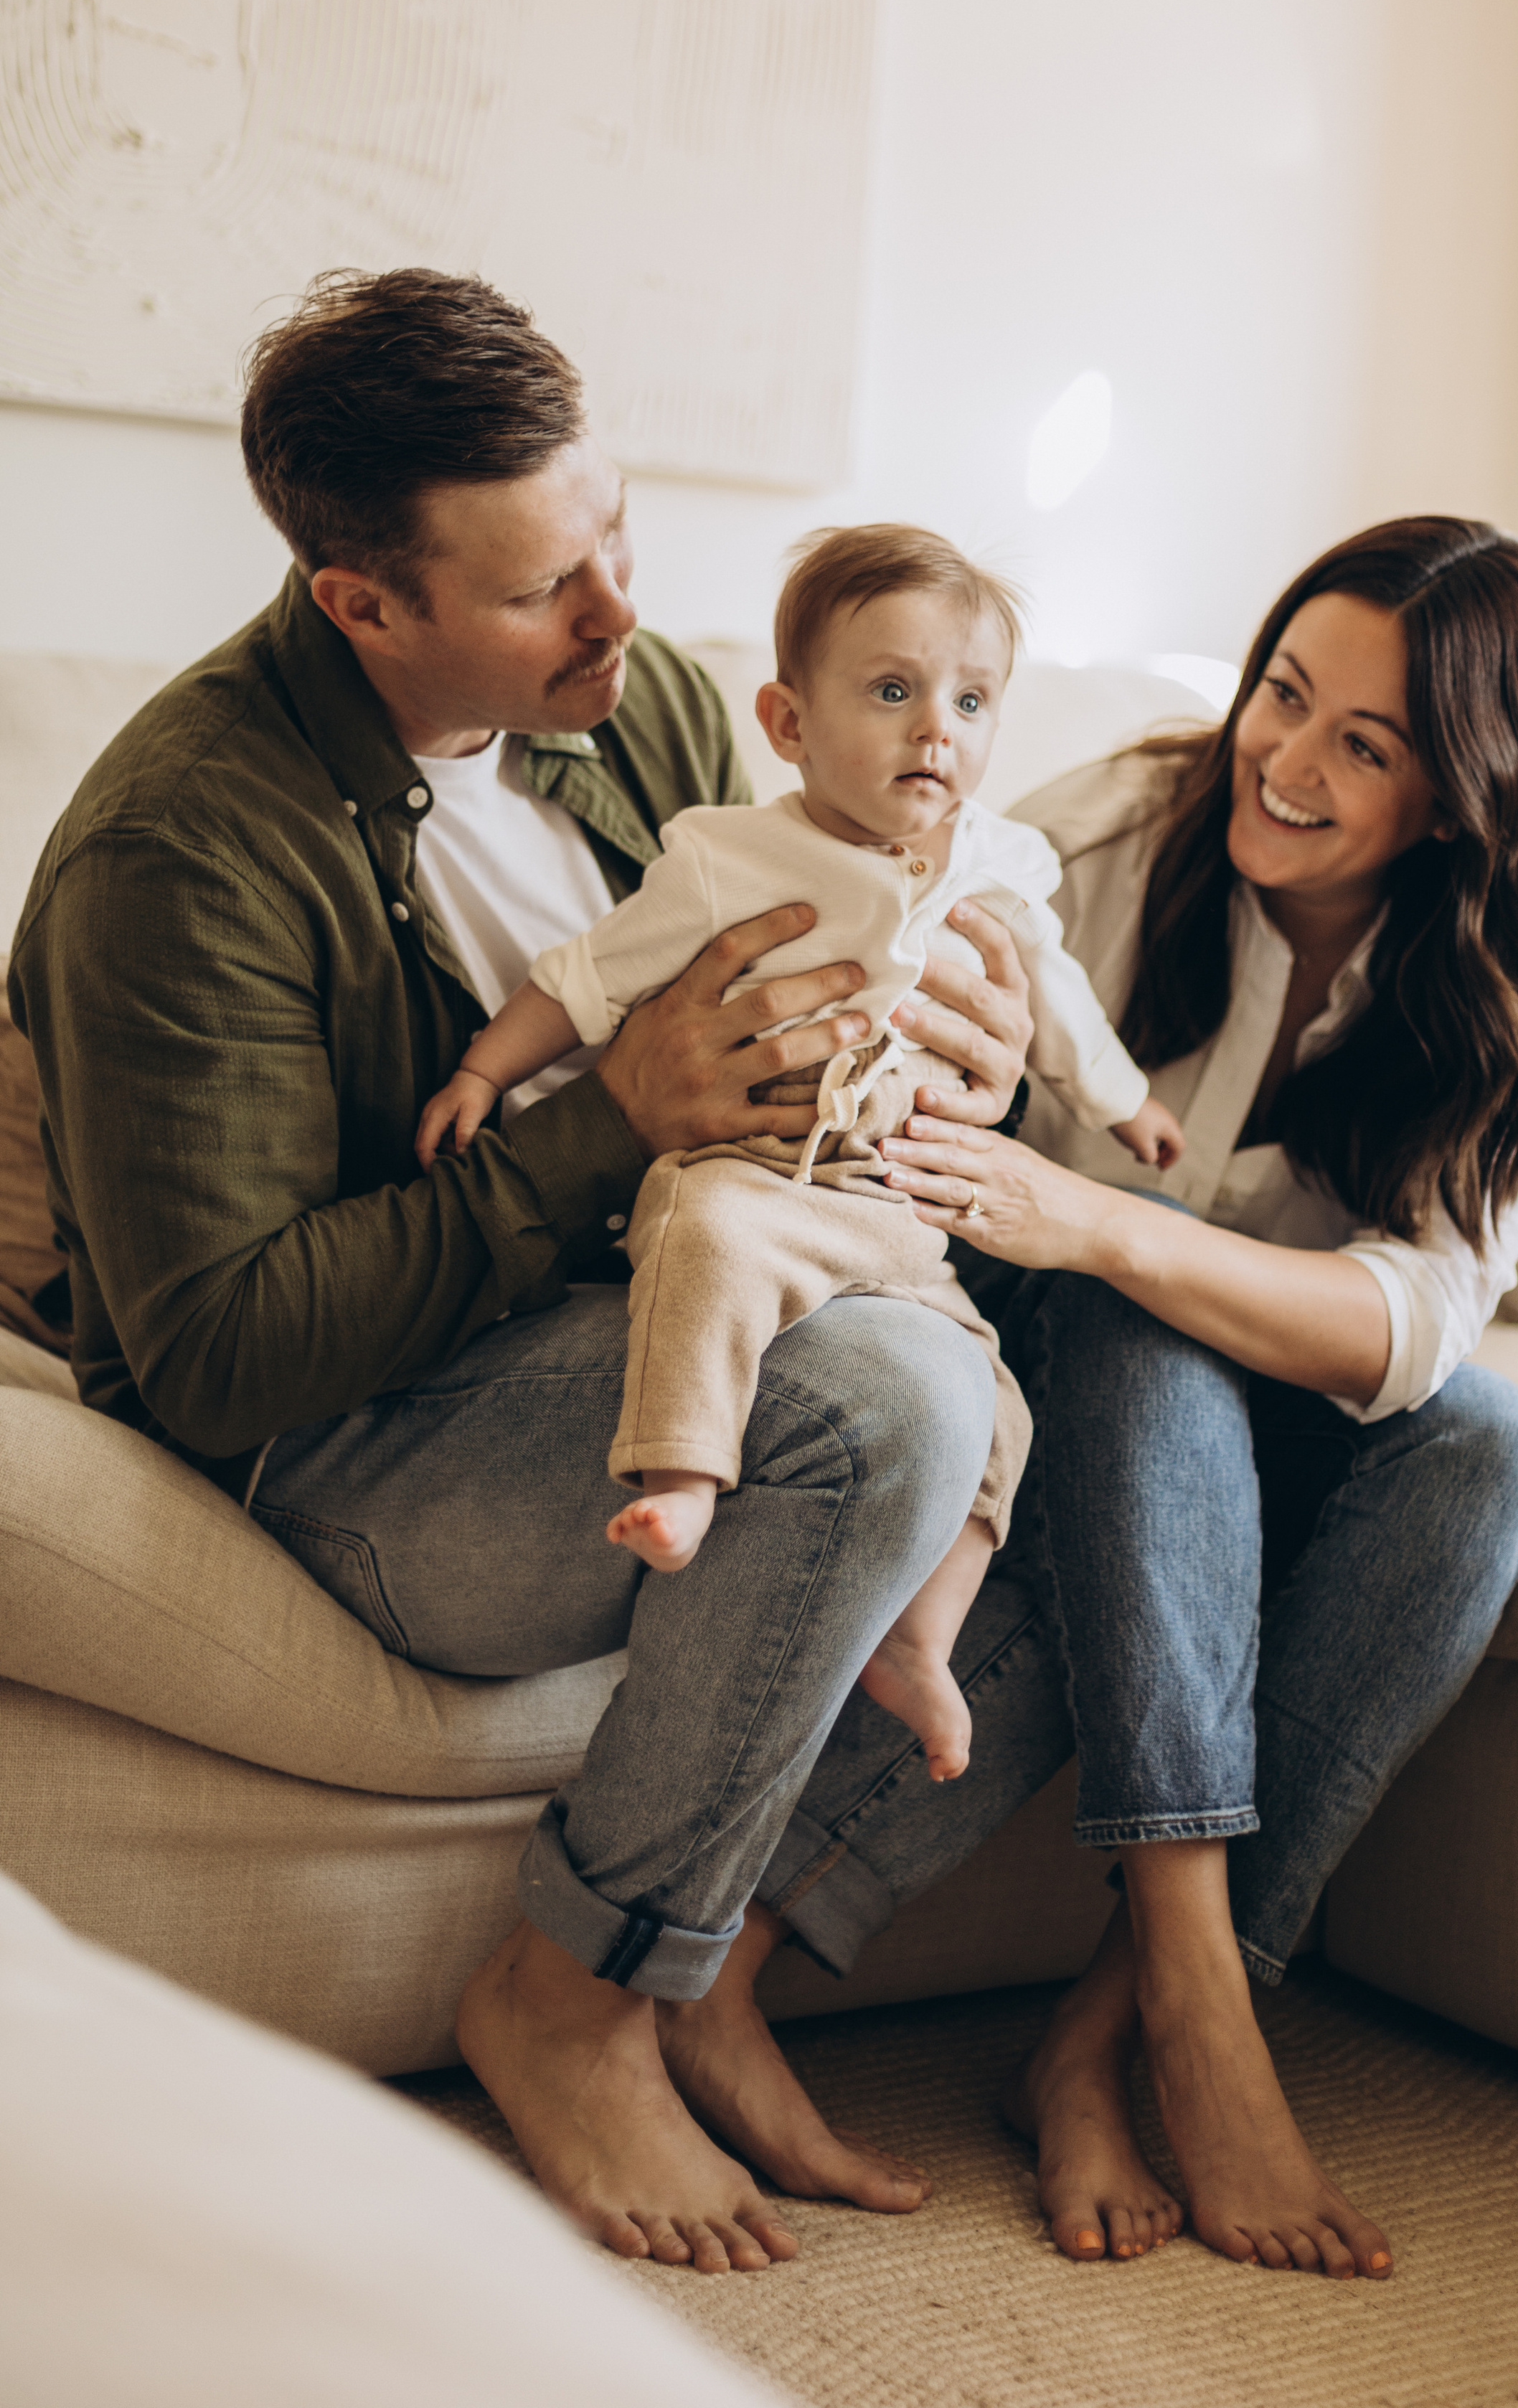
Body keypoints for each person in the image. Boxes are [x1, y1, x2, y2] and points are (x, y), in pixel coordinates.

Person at [5, 268, 1068, 2275]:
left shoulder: (640, 707)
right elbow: (219, 1354)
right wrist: (614, 1120)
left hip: (654, 1302)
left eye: (618, 545)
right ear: (364, 605)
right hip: (351, 1435)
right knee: (884, 1406)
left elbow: (848, 971)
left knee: (1096, 1360)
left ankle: (722, 1970)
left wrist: (977, 1057)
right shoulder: (183, 854)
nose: (613, 620)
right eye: (540, 590)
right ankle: (571, 2000)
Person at [873, 517, 1518, 2279]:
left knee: (1493, 1449)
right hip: (1033, 1358)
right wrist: (1003, 1124)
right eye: (1281, 692)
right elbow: (910, 1051)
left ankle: (1098, 2030)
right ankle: (1204, 2008)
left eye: (1361, 746)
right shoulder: (1103, 837)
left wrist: (1113, 1226)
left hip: (1254, 1391)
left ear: (1456, 798)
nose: (1279, 762)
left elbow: (1417, 1323)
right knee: (1131, 1310)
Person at [415, 523, 1182, 1782]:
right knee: (700, 1244)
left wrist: (1123, 1104)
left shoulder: (996, 862)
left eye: (970, 700)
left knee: (993, 1407)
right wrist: (486, 1069)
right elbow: (591, 980)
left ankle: (920, 1642)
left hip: (897, 1216)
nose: (937, 728)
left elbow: (1059, 1000)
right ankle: (684, 1474)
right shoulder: (731, 855)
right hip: (763, 1179)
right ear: (787, 721)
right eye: (893, 691)